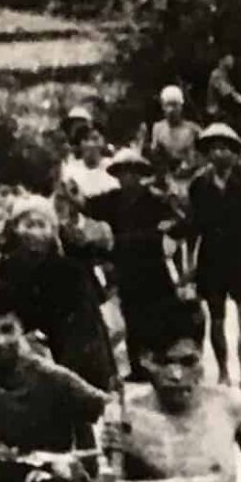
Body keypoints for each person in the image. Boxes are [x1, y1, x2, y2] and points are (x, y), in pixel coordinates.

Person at [108, 297, 241, 482]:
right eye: (165, 362)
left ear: (200, 355)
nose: (177, 375)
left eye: (188, 362)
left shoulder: (229, 405)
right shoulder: (126, 417)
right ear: (145, 360)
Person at [0, 278, 111, 457]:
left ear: (20, 329)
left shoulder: (49, 376)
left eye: (7, 330)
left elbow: (108, 408)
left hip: (52, 477)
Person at [0, 195, 117, 393]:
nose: (35, 233)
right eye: (28, 225)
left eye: (42, 225)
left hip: (70, 357)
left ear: (52, 231)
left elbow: (85, 328)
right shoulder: (7, 270)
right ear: (15, 229)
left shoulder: (70, 271)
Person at [79, 147, 184, 380]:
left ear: (140, 174)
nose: (128, 178)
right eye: (123, 173)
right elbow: (85, 205)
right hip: (125, 266)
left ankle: (160, 363)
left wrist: (168, 226)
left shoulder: (155, 199)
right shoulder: (111, 200)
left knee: (158, 313)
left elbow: (179, 223)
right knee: (131, 315)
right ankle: (137, 366)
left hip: (152, 265)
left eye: (133, 172)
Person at [181, 123, 241, 396]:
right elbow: (192, 230)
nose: (219, 154)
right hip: (212, 259)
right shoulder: (198, 185)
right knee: (216, 319)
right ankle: (223, 373)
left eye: (225, 148)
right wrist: (189, 266)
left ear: (235, 153)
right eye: (214, 148)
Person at [143, 85, 203, 194]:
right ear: (163, 107)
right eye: (168, 105)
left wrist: (192, 165)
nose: (171, 110)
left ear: (181, 106)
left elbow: (203, 156)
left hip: (191, 179)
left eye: (175, 105)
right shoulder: (158, 128)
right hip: (168, 181)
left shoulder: (193, 130)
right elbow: (156, 158)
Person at [205, 52, 241, 135]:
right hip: (216, 113)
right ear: (222, 60)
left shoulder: (226, 75)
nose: (232, 61)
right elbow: (229, 94)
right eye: (230, 59)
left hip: (224, 111)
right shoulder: (216, 74)